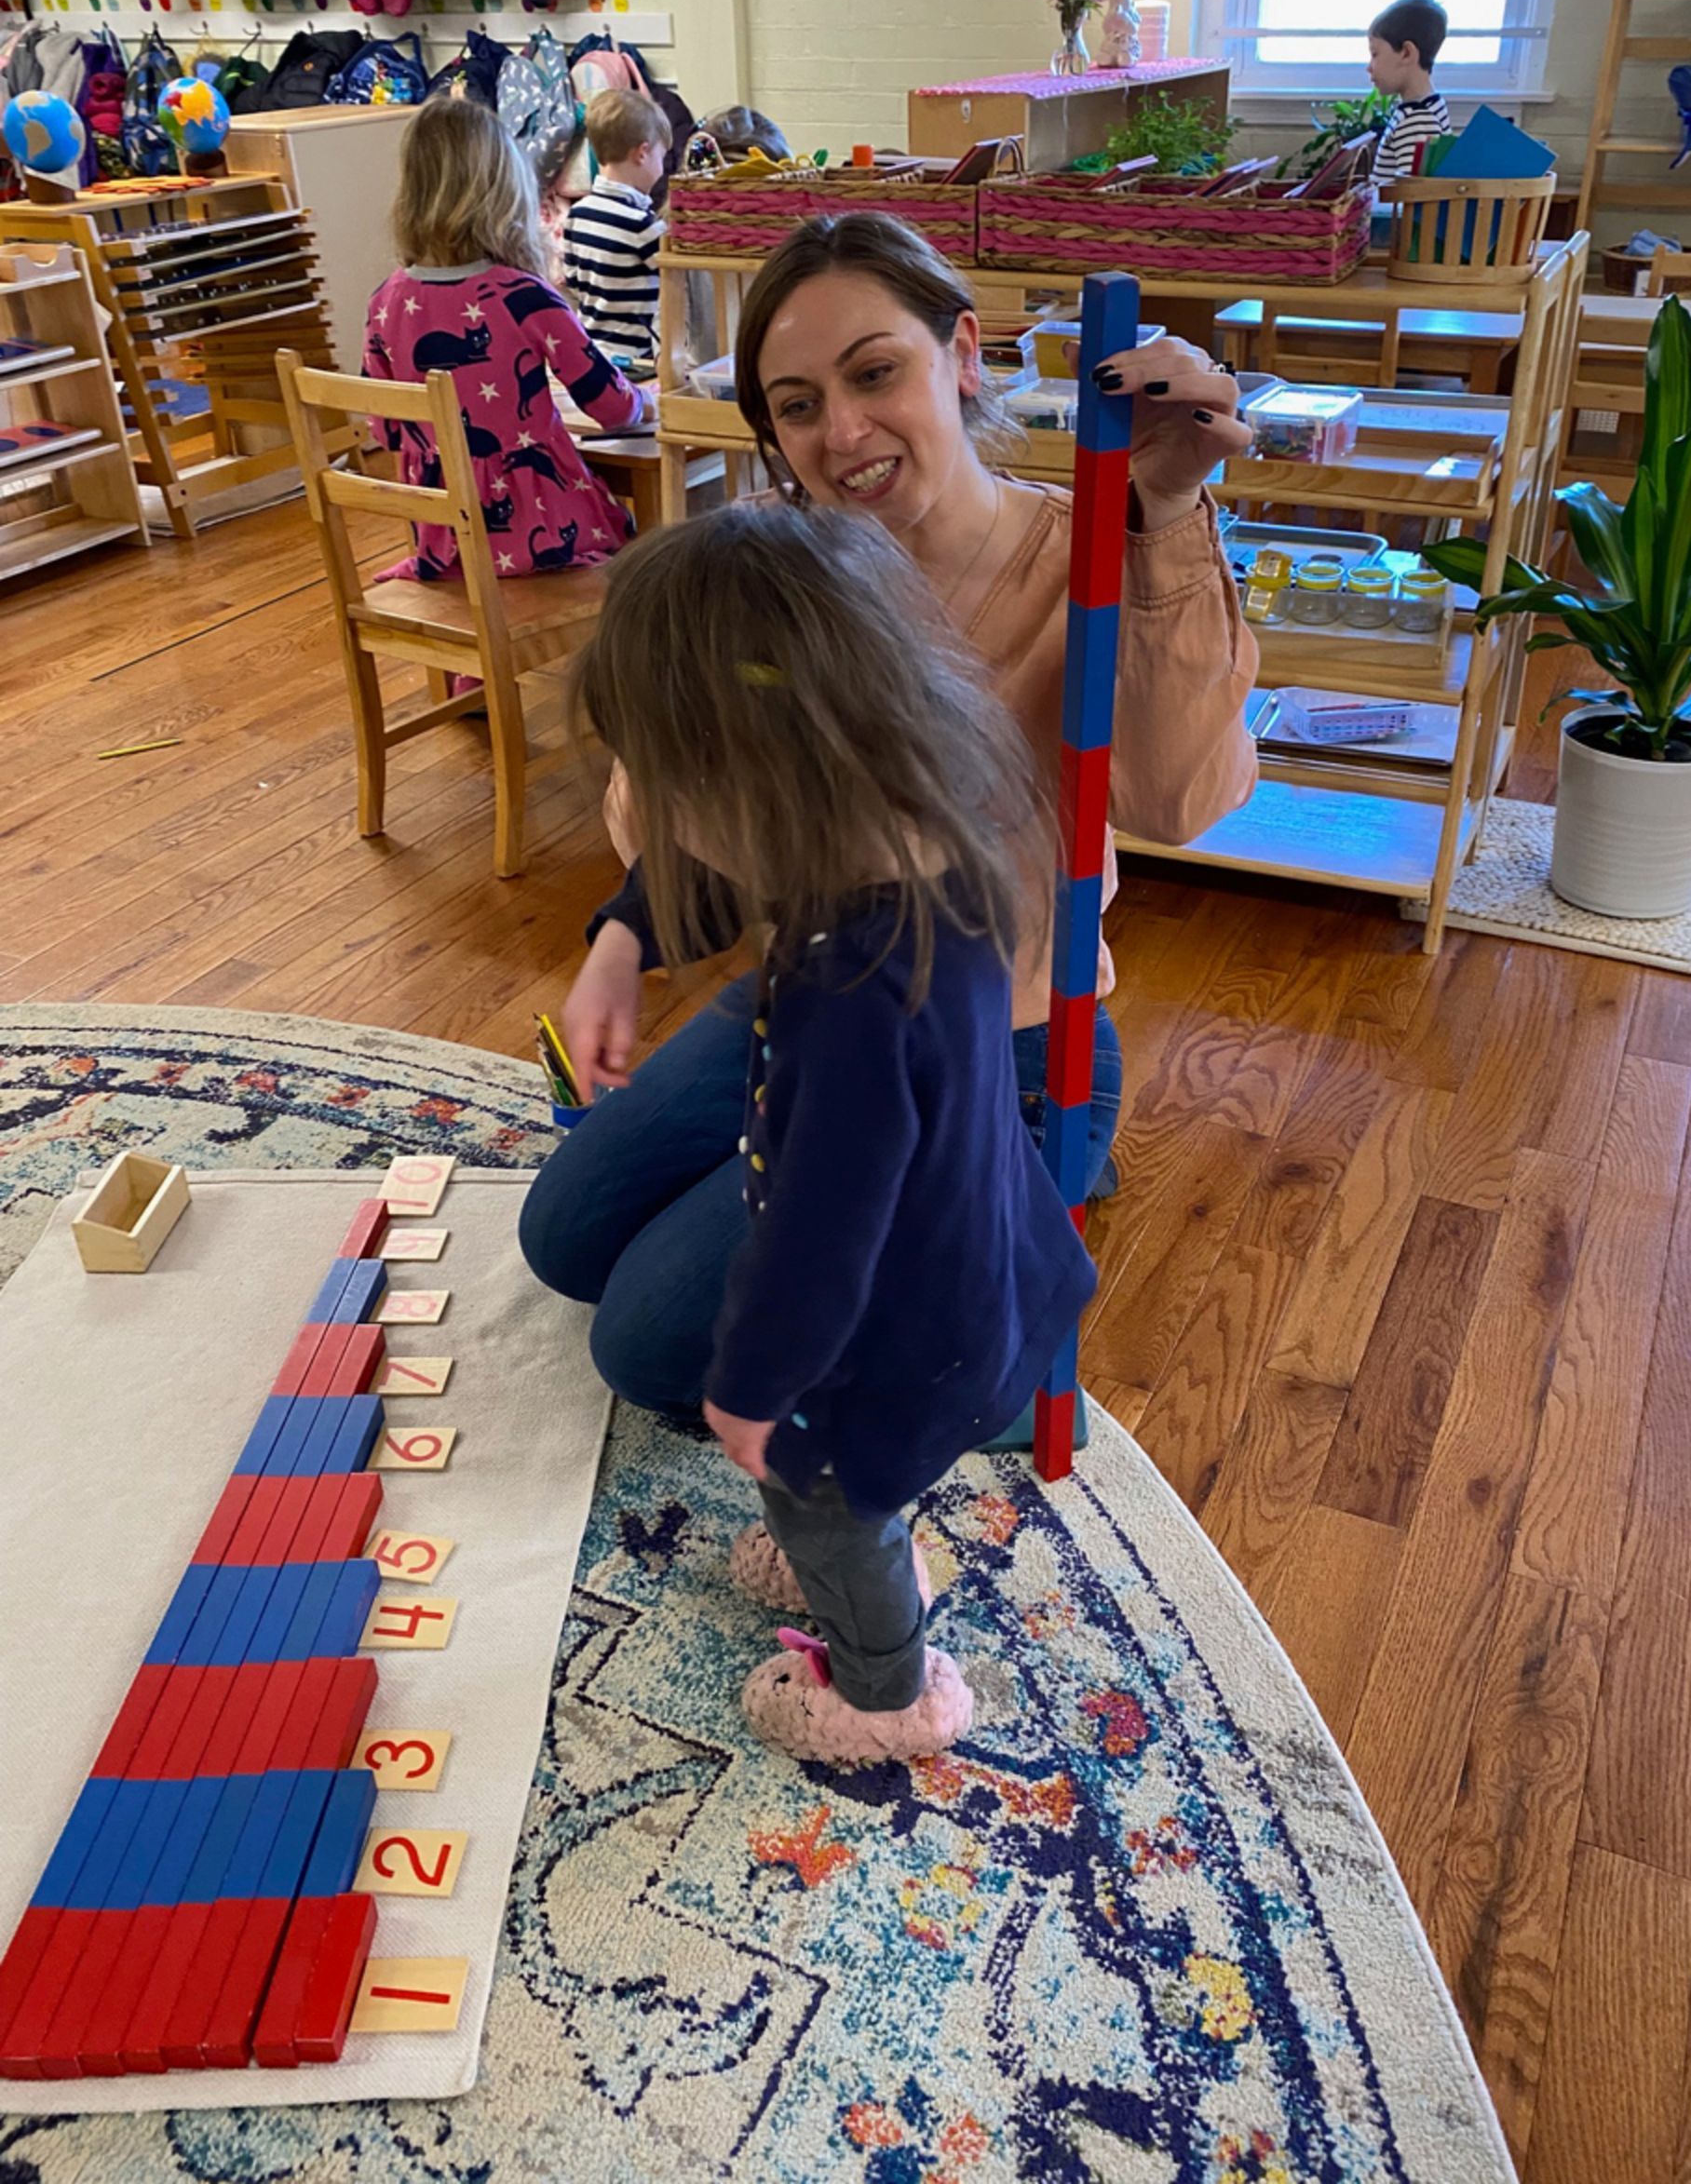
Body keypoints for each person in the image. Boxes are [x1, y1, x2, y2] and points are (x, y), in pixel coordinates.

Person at [520, 210, 1257, 1444]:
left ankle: (998, 1228)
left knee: (646, 1339)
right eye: (798, 406)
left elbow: (1180, 798)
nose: (844, 433)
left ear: (960, 354)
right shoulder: (781, 587)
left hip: (1001, 1053)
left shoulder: (1092, 552)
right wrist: (620, 939)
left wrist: (1169, 511)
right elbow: (701, 822)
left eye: (875, 373)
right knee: (564, 1235)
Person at [572, 502, 1096, 1760]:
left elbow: (820, 1235)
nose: (655, 822)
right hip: (976, 1265)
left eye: (666, 790)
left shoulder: (847, 994)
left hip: (898, 1329)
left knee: (822, 1491)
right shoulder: (924, 847)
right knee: (832, 1485)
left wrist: (755, 1389)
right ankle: (853, 1556)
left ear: (751, 784)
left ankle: (887, 1689)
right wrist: (626, 938)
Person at [362, 97, 650, 585]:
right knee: (647, 548)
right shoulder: (523, 296)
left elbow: (385, 430)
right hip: (545, 536)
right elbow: (614, 409)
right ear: (504, 190)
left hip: (445, 547)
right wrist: (646, 400)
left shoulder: (385, 300)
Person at [561, 88, 671, 370]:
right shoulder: (643, 226)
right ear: (642, 153)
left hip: (591, 352)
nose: (662, 169)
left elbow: (573, 283)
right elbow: (677, 287)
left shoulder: (576, 214)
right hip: (636, 361)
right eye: (661, 157)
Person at [1368, 0, 1450, 188]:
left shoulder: (1417, 121)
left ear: (1406, 53)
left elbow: (1411, 197)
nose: (1369, 67)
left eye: (1375, 54)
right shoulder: (1428, 106)